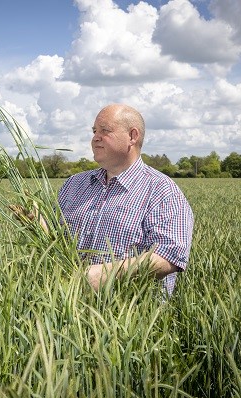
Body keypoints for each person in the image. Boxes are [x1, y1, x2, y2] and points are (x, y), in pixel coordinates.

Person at [57, 104, 194, 295]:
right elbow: (56, 239)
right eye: (94, 131)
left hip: (131, 316)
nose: (95, 137)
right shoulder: (74, 184)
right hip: (66, 310)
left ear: (132, 136)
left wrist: (108, 274)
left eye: (105, 131)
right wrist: (36, 223)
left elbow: (169, 256)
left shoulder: (162, 191)